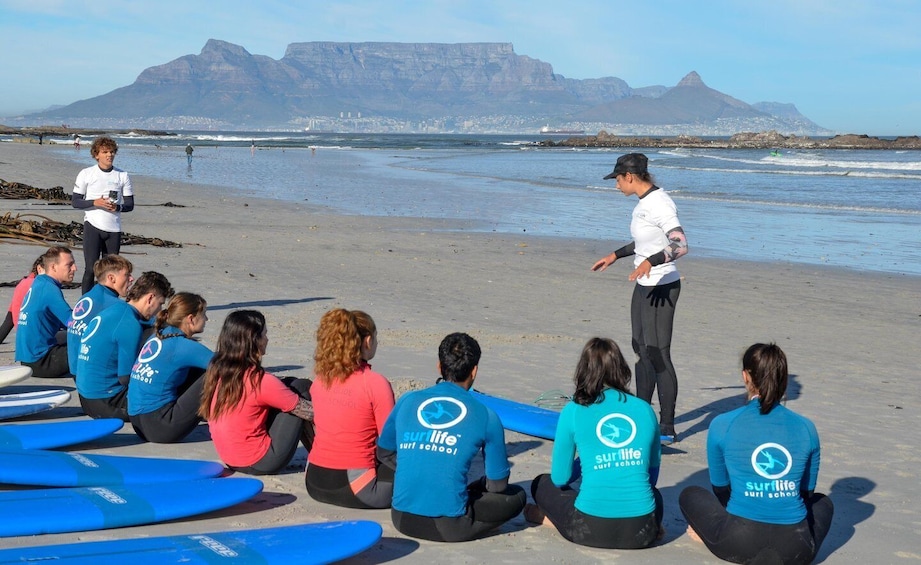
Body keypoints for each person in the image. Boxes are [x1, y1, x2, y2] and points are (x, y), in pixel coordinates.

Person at [679, 343, 835, 564]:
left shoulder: (722, 424)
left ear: (745, 377)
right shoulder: (806, 427)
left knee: (690, 494)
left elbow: (720, 488)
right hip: (796, 548)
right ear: (784, 380)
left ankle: (711, 535)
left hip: (738, 541)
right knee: (823, 502)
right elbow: (806, 493)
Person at [378, 332, 526, 542]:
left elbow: (384, 452)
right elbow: (498, 485)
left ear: (439, 366)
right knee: (517, 495)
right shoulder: (486, 415)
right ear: (474, 371)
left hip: (401, 518)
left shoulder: (407, 400)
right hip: (448, 526)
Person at [527, 337, 663, 549]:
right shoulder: (644, 409)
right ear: (621, 369)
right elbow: (651, 478)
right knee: (654, 495)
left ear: (583, 371)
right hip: (642, 531)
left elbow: (560, 478)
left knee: (541, 483)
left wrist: (585, 464)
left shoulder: (573, 410)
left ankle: (550, 520)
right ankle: (652, 527)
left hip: (588, 529)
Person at [592, 153, 688, 444]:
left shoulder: (660, 203)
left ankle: (667, 425)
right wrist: (616, 255)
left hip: (662, 286)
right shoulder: (644, 204)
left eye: (618, 179)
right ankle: (643, 414)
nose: (616, 185)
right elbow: (647, 240)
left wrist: (651, 263)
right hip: (644, 284)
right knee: (640, 348)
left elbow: (680, 244)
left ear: (630, 177)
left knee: (659, 352)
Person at [199, 310, 315, 475]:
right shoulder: (260, 380)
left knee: (289, 384)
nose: (267, 339)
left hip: (230, 459)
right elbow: (312, 413)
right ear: (254, 340)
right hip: (261, 461)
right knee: (301, 387)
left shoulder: (218, 372)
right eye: (264, 334)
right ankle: (323, 459)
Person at [306, 309, 396, 509]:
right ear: (367, 341)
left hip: (314, 482)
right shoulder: (375, 383)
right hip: (359, 491)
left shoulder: (320, 380)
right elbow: (390, 443)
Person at [75, 271, 173, 421]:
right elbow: (125, 378)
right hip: (108, 402)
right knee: (170, 392)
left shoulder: (115, 310)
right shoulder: (130, 324)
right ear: (150, 298)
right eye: (160, 304)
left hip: (86, 398)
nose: (159, 311)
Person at [128, 292, 212, 443]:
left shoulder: (159, 335)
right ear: (191, 319)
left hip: (138, 423)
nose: (206, 319)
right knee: (216, 374)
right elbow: (230, 366)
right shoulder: (183, 346)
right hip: (161, 427)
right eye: (204, 314)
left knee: (197, 369)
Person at [72, 135, 135, 294]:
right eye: (105, 152)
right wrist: (95, 202)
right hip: (93, 226)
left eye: (112, 151)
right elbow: (76, 201)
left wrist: (117, 207)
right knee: (91, 269)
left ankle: (109, 302)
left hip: (113, 229)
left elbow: (130, 205)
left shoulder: (122, 175)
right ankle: (85, 304)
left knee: (112, 271)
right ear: (96, 154)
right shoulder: (86, 173)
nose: (109, 155)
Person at [15, 246, 78, 378]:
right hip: (40, 362)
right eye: (69, 265)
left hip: (27, 358)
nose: (75, 268)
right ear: (54, 267)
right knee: (94, 344)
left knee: (69, 336)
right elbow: (74, 323)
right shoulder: (49, 290)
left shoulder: (39, 282)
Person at [66, 254, 134, 375]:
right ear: (111, 278)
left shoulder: (88, 296)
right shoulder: (113, 305)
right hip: (90, 374)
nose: (131, 279)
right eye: (127, 275)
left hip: (75, 367)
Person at [0, 255, 44, 344]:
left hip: (23, 335)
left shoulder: (23, 283)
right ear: (40, 269)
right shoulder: (39, 286)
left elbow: (9, 319)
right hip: (37, 336)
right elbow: (63, 317)